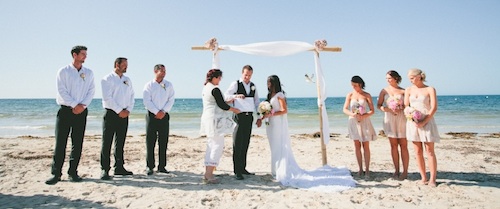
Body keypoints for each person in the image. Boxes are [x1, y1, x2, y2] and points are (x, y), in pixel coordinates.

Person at [261, 75, 355, 191]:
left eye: (270, 83)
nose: (268, 85)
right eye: (267, 83)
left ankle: (282, 170)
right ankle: (275, 169)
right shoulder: (270, 96)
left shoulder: (280, 95)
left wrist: (272, 114)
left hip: (278, 125)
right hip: (271, 125)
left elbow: (284, 110)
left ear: (275, 83)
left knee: (280, 146)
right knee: (273, 146)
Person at [46, 45, 95, 185]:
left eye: (86, 54)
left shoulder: (89, 73)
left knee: (77, 143)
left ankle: (73, 172)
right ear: (74, 55)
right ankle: (56, 174)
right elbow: (61, 90)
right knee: (61, 142)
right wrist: (74, 105)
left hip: (82, 111)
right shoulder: (63, 71)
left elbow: (91, 91)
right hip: (66, 111)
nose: (85, 56)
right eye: (83, 54)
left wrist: (82, 106)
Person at [200, 69, 241, 184]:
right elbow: (221, 105)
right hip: (214, 119)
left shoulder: (206, 87)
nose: (220, 80)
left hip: (208, 118)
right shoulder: (214, 89)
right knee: (217, 145)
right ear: (214, 77)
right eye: (219, 78)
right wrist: (234, 109)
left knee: (211, 144)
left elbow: (217, 102)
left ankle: (207, 172)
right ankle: (209, 173)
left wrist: (230, 101)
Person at [224, 65, 262, 180]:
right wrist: (235, 96)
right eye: (246, 75)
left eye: (249, 75)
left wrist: (259, 116)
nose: (247, 77)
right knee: (237, 143)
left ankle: (243, 168)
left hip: (249, 117)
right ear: (242, 73)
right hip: (238, 116)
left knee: (245, 142)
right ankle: (237, 171)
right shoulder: (235, 84)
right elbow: (225, 96)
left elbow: (256, 102)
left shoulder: (253, 86)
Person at [100, 57, 135, 180]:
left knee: (120, 142)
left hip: (124, 114)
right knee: (107, 142)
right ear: (117, 64)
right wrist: (119, 110)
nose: (126, 67)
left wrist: (128, 110)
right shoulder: (107, 79)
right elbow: (107, 98)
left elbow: (132, 96)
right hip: (111, 113)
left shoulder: (127, 80)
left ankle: (119, 167)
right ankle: (105, 169)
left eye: (127, 64)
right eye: (124, 64)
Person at [404, 68, 440, 187]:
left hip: (427, 120)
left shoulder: (430, 89)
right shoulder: (408, 90)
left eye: (412, 78)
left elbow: (433, 108)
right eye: (409, 78)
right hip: (413, 122)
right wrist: (411, 117)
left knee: (429, 151)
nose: (411, 80)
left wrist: (424, 121)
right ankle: (423, 177)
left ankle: (432, 179)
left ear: (419, 77)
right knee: (418, 151)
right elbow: (406, 106)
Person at [143, 64, 175, 175]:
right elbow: (147, 101)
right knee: (150, 141)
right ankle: (150, 166)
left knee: (163, 142)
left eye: (165, 71)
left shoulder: (168, 85)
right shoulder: (149, 85)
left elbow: (171, 99)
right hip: (152, 116)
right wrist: (156, 112)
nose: (164, 73)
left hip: (164, 115)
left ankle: (162, 166)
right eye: (161, 71)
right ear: (155, 71)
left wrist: (163, 111)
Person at [377, 70, 409, 180]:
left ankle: (405, 171)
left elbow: (408, 105)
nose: (388, 80)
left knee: (404, 146)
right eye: (386, 79)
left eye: (389, 78)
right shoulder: (384, 91)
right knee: (393, 146)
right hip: (389, 118)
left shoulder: (404, 91)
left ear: (396, 78)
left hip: (401, 119)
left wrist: (401, 107)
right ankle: (396, 170)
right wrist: (387, 109)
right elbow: (379, 105)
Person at [342, 75, 377, 178]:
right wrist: (352, 114)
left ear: (360, 84)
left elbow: (372, 110)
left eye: (355, 85)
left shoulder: (366, 95)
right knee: (357, 145)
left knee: (366, 146)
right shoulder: (350, 95)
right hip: (353, 121)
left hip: (364, 121)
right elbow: (344, 109)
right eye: (352, 85)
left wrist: (364, 115)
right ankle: (360, 169)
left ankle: (367, 170)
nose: (353, 87)